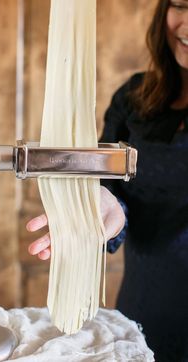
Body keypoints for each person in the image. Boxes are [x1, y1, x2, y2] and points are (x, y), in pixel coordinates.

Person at [26, 0, 188, 360]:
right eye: (180, 5)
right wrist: (99, 207)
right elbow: (111, 196)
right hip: (143, 304)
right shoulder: (134, 98)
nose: (186, 24)